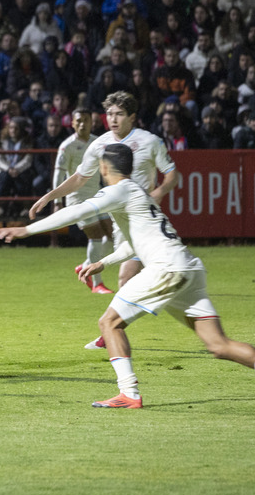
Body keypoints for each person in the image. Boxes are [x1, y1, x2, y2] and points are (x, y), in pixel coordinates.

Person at [0, 143, 255, 408]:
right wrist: (103, 262)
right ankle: (128, 393)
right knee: (219, 346)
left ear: (104, 167)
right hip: (187, 267)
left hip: (165, 269)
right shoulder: (137, 193)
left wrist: (26, 230)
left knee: (109, 323)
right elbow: (136, 242)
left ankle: (128, 393)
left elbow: (77, 211)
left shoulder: (118, 191)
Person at [28, 91, 179, 349]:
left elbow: (172, 175)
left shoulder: (149, 141)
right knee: (156, 283)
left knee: (127, 279)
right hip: (122, 224)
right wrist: (50, 196)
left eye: (119, 114)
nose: (113, 119)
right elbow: (79, 178)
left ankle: (109, 332)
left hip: (145, 224)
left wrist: (157, 193)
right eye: (109, 114)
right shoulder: (99, 145)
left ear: (132, 116)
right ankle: (115, 328)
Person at [54, 105, 113, 294]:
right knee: (95, 236)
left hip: (97, 195)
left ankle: (85, 266)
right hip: (77, 199)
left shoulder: (98, 143)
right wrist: (57, 201)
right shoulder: (67, 146)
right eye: (78, 120)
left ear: (91, 122)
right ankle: (97, 283)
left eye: (85, 120)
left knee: (113, 236)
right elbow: (59, 174)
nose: (82, 124)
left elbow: (104, 169)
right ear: (72, 123)